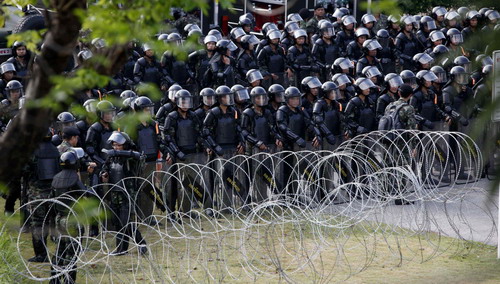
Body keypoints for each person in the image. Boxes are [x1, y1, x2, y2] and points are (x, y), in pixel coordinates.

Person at [100, 132, 148, 256]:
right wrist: (104, 174)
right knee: (117, 222)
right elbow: (104, 168)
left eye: (119, 145)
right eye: (114, 145)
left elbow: (139, 158)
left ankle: (141, 242)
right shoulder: (111, 157)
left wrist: (119, 153)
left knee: (126, 221)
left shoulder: (130, 158)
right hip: (114, 192)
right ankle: (122, 249)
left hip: (127, 193)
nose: (116, 147)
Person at [25, 130, 61, 263]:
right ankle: (61, 251)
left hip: (37, 194)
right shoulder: (56, 151)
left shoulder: (33, 152)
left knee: (38, 224)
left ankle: (41, 254)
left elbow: (24, 170)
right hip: (53, 193)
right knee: (55, 222)